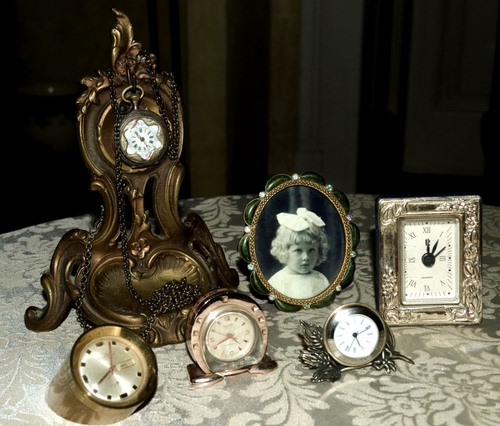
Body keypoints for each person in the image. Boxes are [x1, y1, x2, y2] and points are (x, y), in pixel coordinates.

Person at [268, 207, 330, 299]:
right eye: (298, 251)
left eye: (311, 250)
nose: (306, 257)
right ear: (285, 252)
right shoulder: (278, 281)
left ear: (319, 251)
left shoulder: (321, 279)